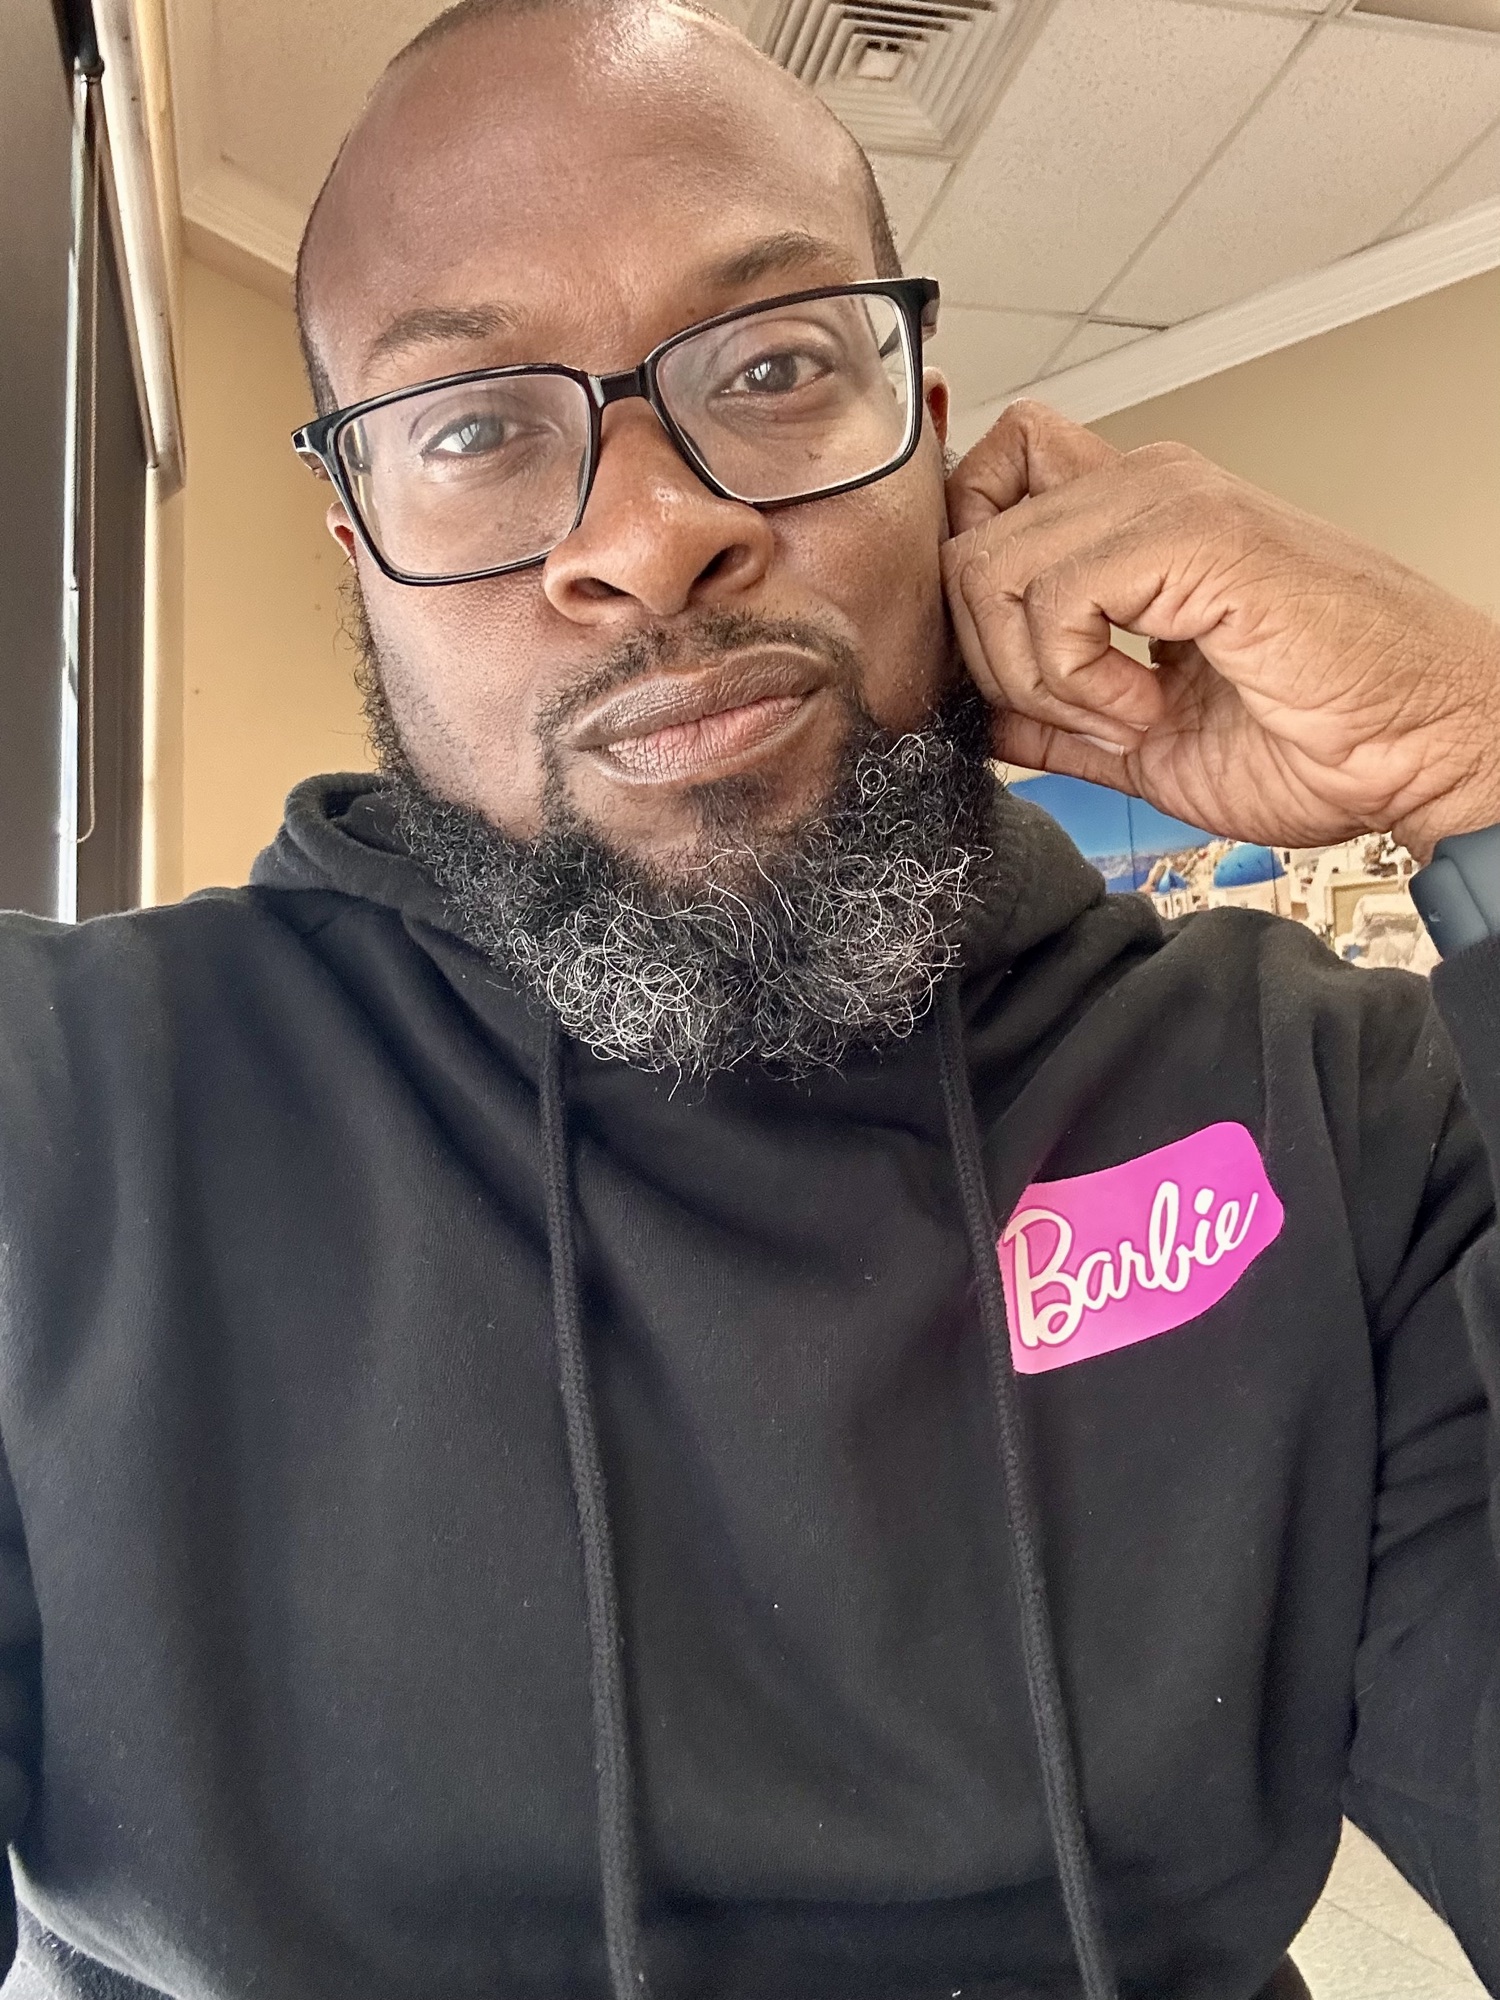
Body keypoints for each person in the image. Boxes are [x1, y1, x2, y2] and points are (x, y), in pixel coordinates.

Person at [1, 0, 1498, 1993]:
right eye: (474, 428)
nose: (650, 534)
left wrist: (1482, 759)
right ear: (357, 550)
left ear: (937, 446)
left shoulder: (1322, 1099)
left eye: (775, 365)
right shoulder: (58, 1124)